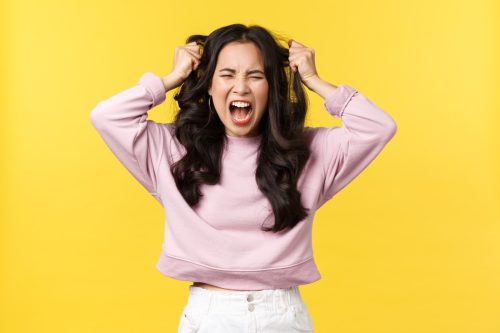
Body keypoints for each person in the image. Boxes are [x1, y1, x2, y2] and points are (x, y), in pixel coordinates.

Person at [90, 23, 397, 333]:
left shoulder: (307, 151)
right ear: (209, 85)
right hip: (209, 316)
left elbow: (378, 127)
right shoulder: (172, 150)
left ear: (272, 88)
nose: (240, 87)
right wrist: (172, 78)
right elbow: (106, 117)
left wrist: (313, 80)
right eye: (227, 75)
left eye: (255, 75)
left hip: (282, 317)